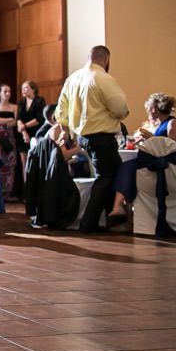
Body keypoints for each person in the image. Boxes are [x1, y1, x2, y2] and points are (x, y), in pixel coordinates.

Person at [55, 45, 129, 232]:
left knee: (116, 171)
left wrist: (65, 130)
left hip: (82, 137)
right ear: (106, 59)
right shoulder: (102, 78)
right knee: (105, 177)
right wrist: (120, 115)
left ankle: (112, 217)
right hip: (101, 135)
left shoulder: (72, 79)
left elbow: (61, 111)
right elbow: (119, 107)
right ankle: (89, 222)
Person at [109, 92, 176, 221]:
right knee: (127, 167)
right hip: (156, 162)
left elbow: (173, 148)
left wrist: (151, 138)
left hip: (171, 166)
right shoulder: (161, 124)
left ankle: (120, 209)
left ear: (154, 109)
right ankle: (123, 211)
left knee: (128, 167)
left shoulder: (173, 123)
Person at [0, 84, 18, 202]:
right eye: (5, 91)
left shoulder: (14, 107)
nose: (8, 94)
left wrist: (6, 121)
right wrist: (10, 119)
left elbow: (16, 122)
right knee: (0, 164)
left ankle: (8, 194)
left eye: (9, 91)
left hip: (11, 137)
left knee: (11, 165)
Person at [16, 80, 46, 177]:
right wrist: (24, 133)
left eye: (26, 88)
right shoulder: (21, 103)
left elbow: (39, 119)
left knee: (37, 162)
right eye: (22, 88)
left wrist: (24, 126)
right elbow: (18, 119)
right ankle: (26, 185)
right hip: (23, 135)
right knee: (24, 163)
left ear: (33, 89)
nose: (23, 90)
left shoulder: (40, 101)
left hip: (36, 133)